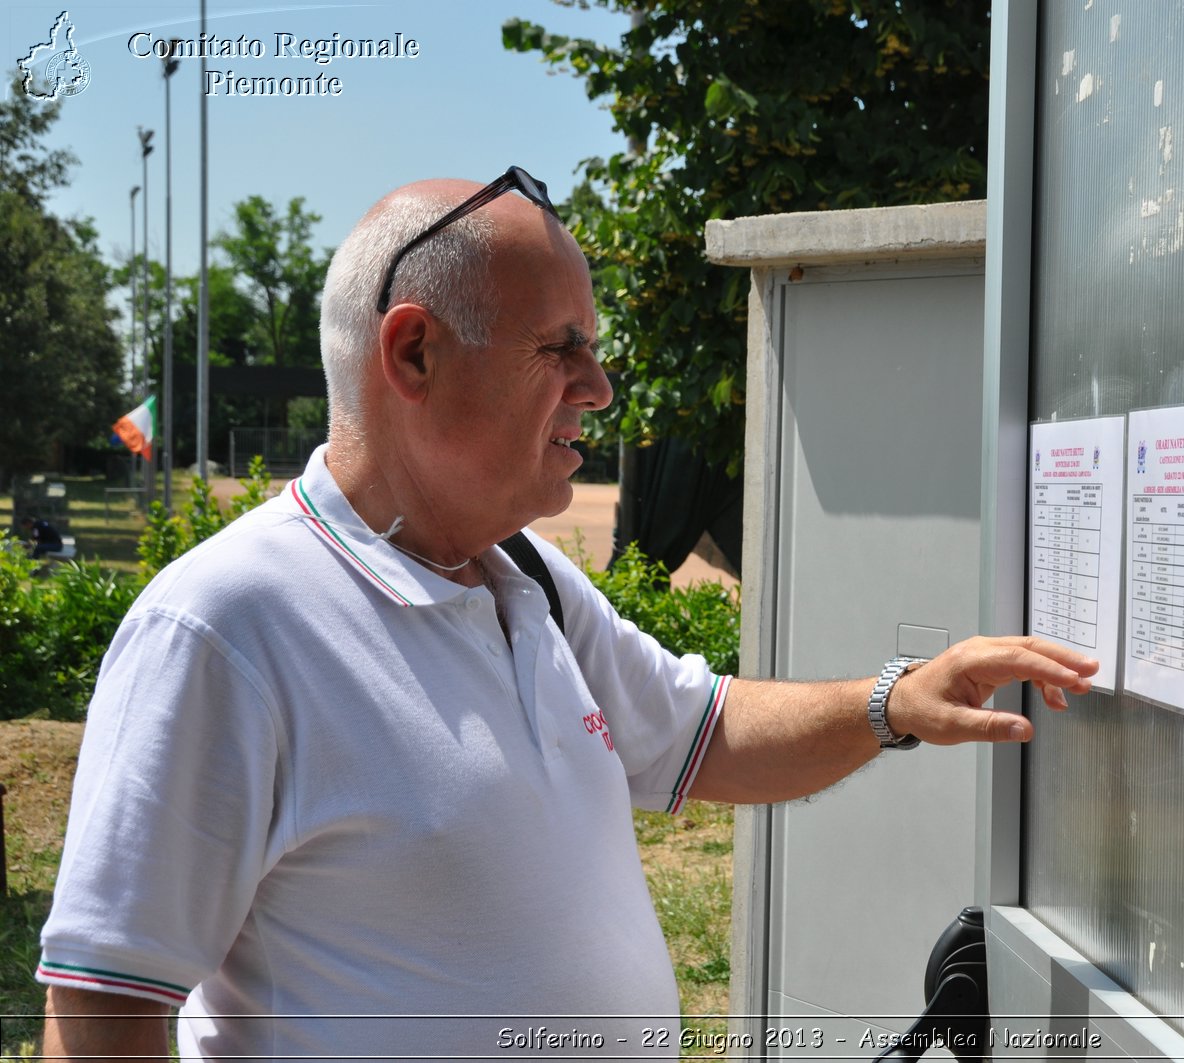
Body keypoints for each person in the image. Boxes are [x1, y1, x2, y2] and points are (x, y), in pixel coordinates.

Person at [37, 169, 1098, 1060]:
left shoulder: (522, 577)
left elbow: (703, 733)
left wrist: (898, 701)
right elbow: (104, 1003)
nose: (598, 386)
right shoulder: (225, 627)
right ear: (413, 353)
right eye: (560, 349)